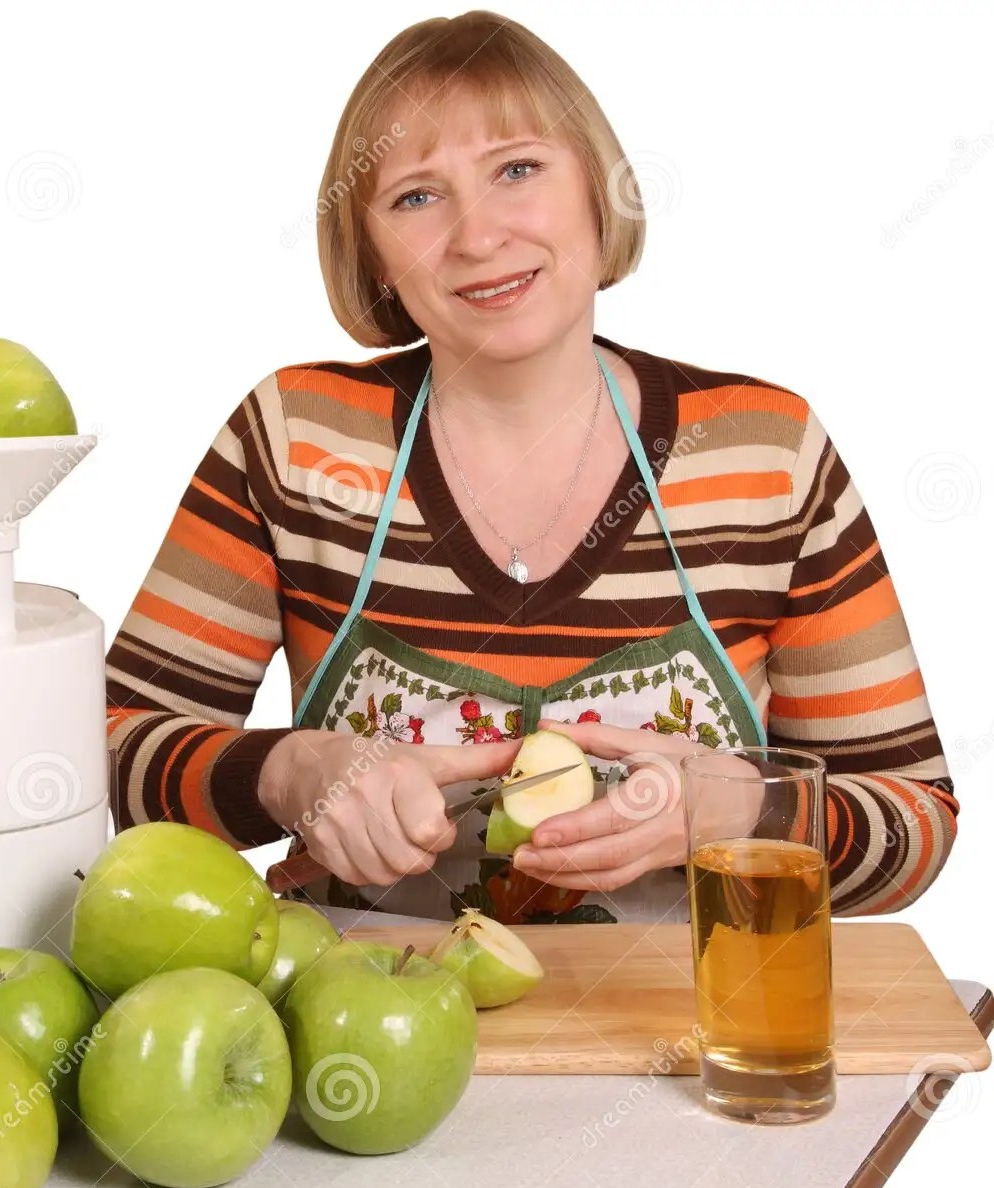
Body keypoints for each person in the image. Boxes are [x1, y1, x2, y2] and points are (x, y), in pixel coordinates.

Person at [103, 11, 956, 923]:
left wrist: (741, 806)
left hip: (692, 1050)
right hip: (367, 1048)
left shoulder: (765, 454)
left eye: (518, 169)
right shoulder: (299, 441)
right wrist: (287, 771)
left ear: (599, 187)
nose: (477, 238)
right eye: (416, 197)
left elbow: (915, 822)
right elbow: (102, 759)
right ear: (375, 254)